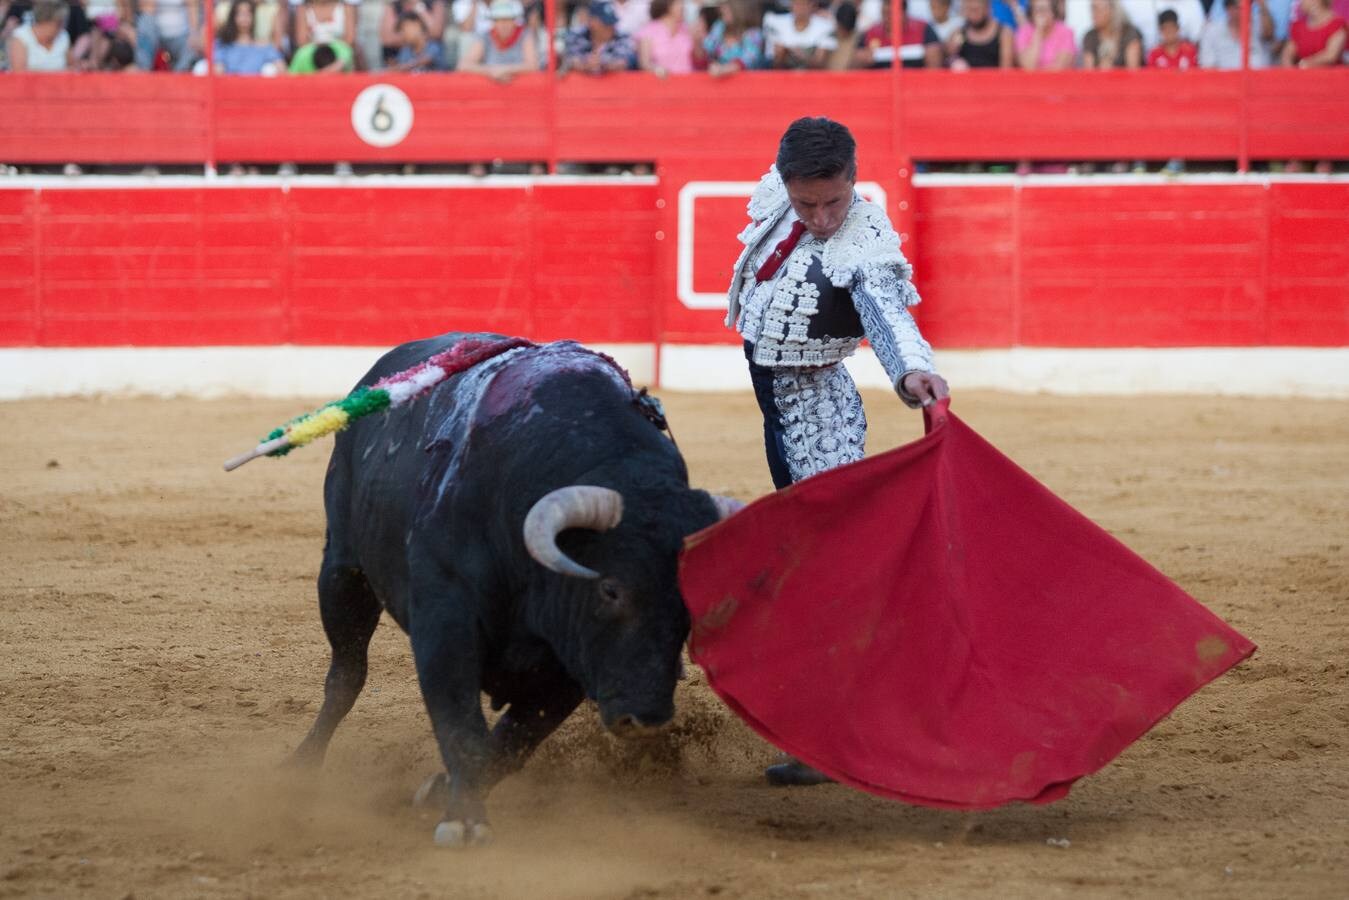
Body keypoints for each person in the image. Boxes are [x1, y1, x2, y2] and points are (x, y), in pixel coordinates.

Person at [725, 118, 949, 786]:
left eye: (832, 202)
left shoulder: (865, 239)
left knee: (825, 568)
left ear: (854, 180)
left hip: (814, 405)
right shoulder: (778, 193)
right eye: (806, 205)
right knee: (810, 556)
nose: (820, 219)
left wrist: (912, 372)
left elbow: (885, 311)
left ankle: (838, 728)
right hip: (777, 403)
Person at [458, 0, 537, 80]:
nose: (503, 25)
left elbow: (533, 65)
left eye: (507, 20)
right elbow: (463, 65)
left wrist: (506, 70)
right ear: (493, 22)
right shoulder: (485, 37)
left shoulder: (525, 35)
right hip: (489, 90)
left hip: (523, 89)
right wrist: (490, 71)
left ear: (514, 21)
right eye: (499, 20)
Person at [858, 0, 942, 67]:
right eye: (884, 13)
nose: (887, 18)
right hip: (879, 83)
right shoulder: (871, 33)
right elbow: (854, 62)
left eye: (890, 14)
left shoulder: (923, 28)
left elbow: (935, 56)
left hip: (917, 82)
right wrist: (861, 58)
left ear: (903, 13)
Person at [561, 0, 637, 73]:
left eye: (612, 22)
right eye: (606, 23)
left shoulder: (623, 38)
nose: (611, 27)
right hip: (579, 85)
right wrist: (584, 65)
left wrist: (604, 65)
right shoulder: (576, 35)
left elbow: (627, 61)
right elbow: (568, 58)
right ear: (592, 22)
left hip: (614, 85)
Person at [692, 0, 765, 74]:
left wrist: (724, 70)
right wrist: (698, 41)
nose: (721, 9)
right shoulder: (719, 27)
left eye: (727, 5)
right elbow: (705, 55)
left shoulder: (754, 34)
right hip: (719, 84)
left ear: (740, 7)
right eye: (722, 5)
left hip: (748, 83)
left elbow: (748, 60)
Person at [213, 0, 283, 71]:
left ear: (254, 17)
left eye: (248, 13)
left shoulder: (264, 46)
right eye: (240, 13)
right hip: (228, 81)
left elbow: (282, 69)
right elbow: (218, 71)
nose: (244, 17)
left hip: (256, 82)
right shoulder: (222, 45)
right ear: (233, 17)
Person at [1198, 0, 1271, 68]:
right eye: (1241, 7)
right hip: (1225, 80)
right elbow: (1208, 67)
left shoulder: (1258, 25)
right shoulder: (1212, 32)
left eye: (1249, 6)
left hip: (1259, 79)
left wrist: (1263, 7)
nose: (1248, 10)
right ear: (1229, 9)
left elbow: (1269, 34)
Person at [764, 0, 836, 69]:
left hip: (812, 77)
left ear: (812, 5)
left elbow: (820, 63)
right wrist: (783, 53)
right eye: (796, 3)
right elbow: (774, 62)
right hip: (783, 76)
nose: (800, 8)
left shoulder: (825, 26)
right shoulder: (776, 23)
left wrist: (802, 56)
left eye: (803, 4)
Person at [134, 0, 199, 70]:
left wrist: (194, 34)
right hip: (156, 36)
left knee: (193, 48)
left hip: (181, 36)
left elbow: (193, 10)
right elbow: (147, 11)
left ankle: (177, 76)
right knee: (145, 22)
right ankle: (144, 71)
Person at [6, 0, 72, 68]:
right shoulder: (21, 36)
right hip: (28, 79)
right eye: (59, 23)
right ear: (45, 20)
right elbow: (19, 72)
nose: (62, 26)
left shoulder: (63, 36)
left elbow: (71, 66)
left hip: (59, 79)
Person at [378, 0, 445, 67]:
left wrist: (418, 6)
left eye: (409, 28)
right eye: (402, 30)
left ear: (418, 26)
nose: (404, 33)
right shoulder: (406, 51)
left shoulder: (433, 47)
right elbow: (387, 39)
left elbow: (436, 32)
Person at [947, 0, 1012, 68]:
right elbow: (949, 57)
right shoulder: (959, 33)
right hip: (966, 77)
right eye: (969, 10)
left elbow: (1006, 69)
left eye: (976, 10)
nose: (973, 15)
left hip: (994, 77)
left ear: (987, 9)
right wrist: (952, 50)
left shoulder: (1003, 33)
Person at [1281, 0, 1345, 67]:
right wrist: (1289, 70)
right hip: (1303, 74)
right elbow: (1288, 53)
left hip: (1330, 74)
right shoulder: (1298, 26)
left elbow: (1331, 55)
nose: (1301, 3)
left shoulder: (1337, 25)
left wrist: (1307, 63)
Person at [636, 0, 692, 75]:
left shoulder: (686, 29)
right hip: (660, 82)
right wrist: (656, 69)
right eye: (678, 3)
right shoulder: (648, 30)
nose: (683, 7)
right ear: (667, 6)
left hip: (688, 81)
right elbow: (645, 63)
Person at [1081, 0, 1141, 69]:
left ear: (1112, 10)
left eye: (1097, 9)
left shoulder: (1130, 33)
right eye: (1092, 9)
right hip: (1098, 79)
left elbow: (1133, 71)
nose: (1093, 14)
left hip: (1124, 79)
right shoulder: (1090, 36)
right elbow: (1088, 71)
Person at [1014, 0, 1074, 68]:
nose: (1042, 14)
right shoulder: (1023, 32)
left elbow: (1061, 66)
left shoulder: (1065, 32)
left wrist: (1037, 73)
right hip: (1031, 78)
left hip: (1058, 78)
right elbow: (1028, 65)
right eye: (1038, 10)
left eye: (1046, 9)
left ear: (1053, 12)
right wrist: (1039, 31)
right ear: (1031, 13)